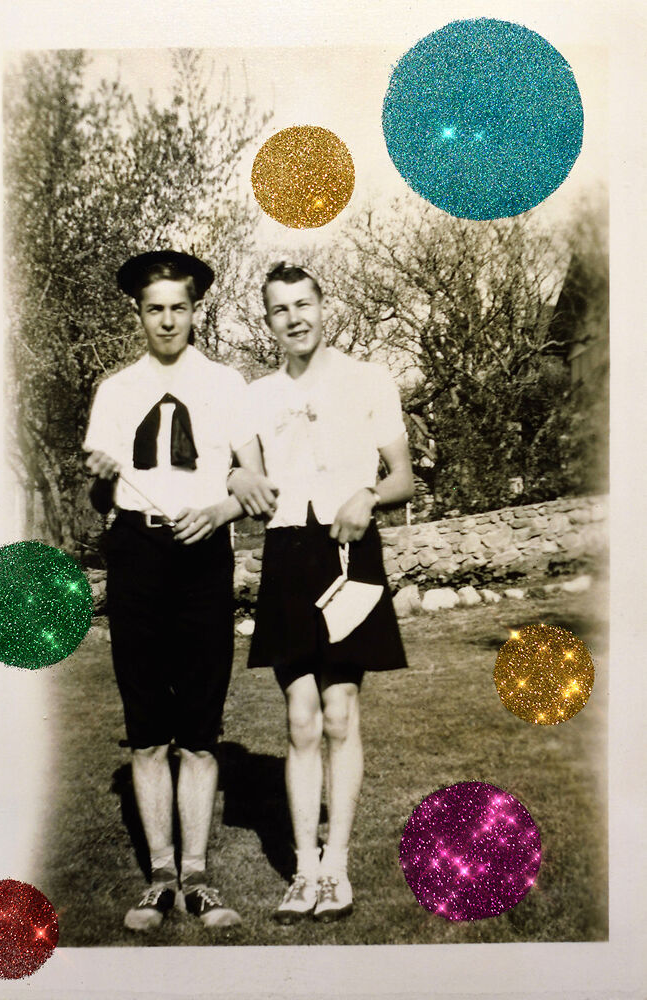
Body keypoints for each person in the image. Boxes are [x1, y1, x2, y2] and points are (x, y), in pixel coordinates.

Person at [84, 250, 272, 932]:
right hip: (136, 554)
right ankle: (158, 878)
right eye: (154, 308)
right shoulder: (115, 391)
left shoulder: (227, 385)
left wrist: (218, 511)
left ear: (196, 311)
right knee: (145, 729)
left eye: (178, 308)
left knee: (198, 727)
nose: (167, 320)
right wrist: (103, 473)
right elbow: (99, 490)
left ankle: (198, 878)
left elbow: (255, 483)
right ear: (138, 314)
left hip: (202, 560)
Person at [228, 261, 415, 924]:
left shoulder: (367, 379)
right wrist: (238, 480)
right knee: (300, 719)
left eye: (304, 303)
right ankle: (302, 871)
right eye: (280, 309)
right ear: (269, 320)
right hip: (286, 551)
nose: (295, 317)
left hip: (348, 548)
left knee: (339, 715)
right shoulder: (255, 395)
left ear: (323, 305)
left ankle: (336, 869)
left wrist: (367, 495)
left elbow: (404, 478)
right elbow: (243, 476)